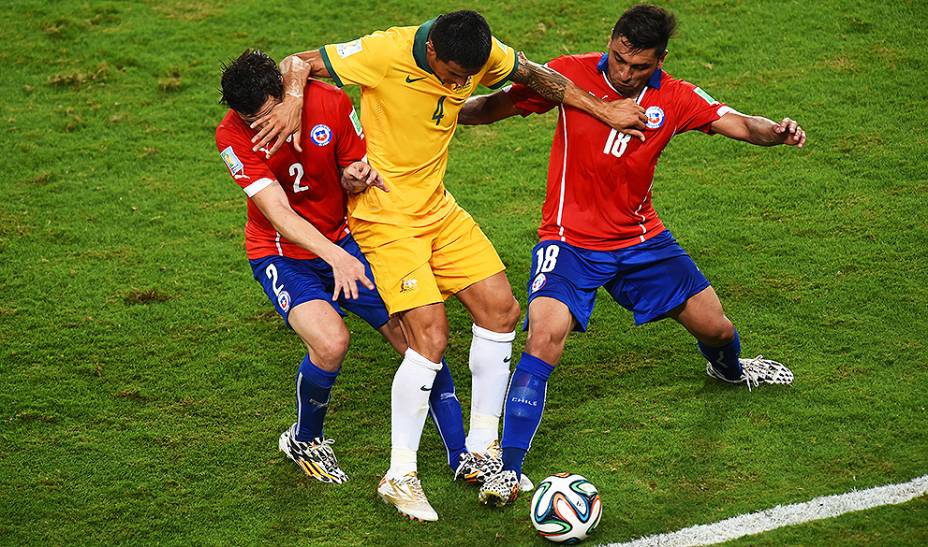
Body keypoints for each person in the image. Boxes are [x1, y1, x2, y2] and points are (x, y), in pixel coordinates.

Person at [249, 10, 649, 521]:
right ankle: (400, 476)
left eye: (469, 76)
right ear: (432, 50)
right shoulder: (384, 51)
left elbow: (536, 76)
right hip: (384, 212)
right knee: (429, 338)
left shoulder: (482, 52)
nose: (462, 85)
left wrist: (604, 111)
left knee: (501, 310)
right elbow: (295, 62)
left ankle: (481, 452)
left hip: (436, 206)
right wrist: (293, 101)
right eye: (455, 74)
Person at [458, 4, 802, 506]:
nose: (623, 72)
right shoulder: (569, 75)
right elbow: (496, 106)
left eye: (637, 67)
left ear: (658, 60)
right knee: (543, 339)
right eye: (619, 58)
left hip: (642, 241)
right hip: (568, 241)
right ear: (613, 40)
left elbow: (743, 124)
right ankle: (507, 471)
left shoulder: (677, 97)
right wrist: (443, 112)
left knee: (718, 329)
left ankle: (730, 370)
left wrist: (776, 132)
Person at [215, 49, 440, 485]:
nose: (257, 128)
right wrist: (335, 257)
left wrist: (353, 176)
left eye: (264, 115)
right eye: (248, 120)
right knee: (332, 342)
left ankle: (458, 442)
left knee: (414, 336)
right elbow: (278, 212)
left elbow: (299, 65)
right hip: (281, 253)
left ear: (283, 95)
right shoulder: (232, 136)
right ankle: (305, 439)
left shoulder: (327, 100)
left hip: (341, 237)